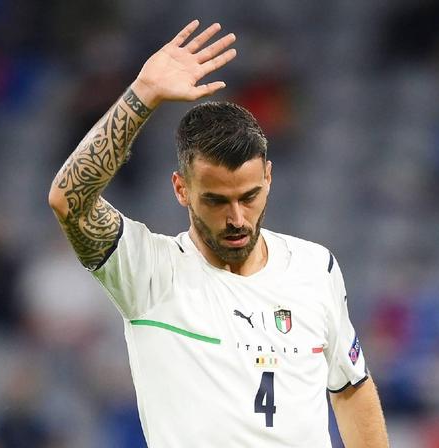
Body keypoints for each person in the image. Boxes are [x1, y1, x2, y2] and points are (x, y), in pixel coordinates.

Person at [48, 19, 389, 447]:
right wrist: (142, 95)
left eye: (249, 196)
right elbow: (69, 200)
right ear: (181, 189)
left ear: (268, 177)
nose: (237, 218)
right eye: (216, 200)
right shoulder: (150, 273)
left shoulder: (315, 267)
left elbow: (351, 387)